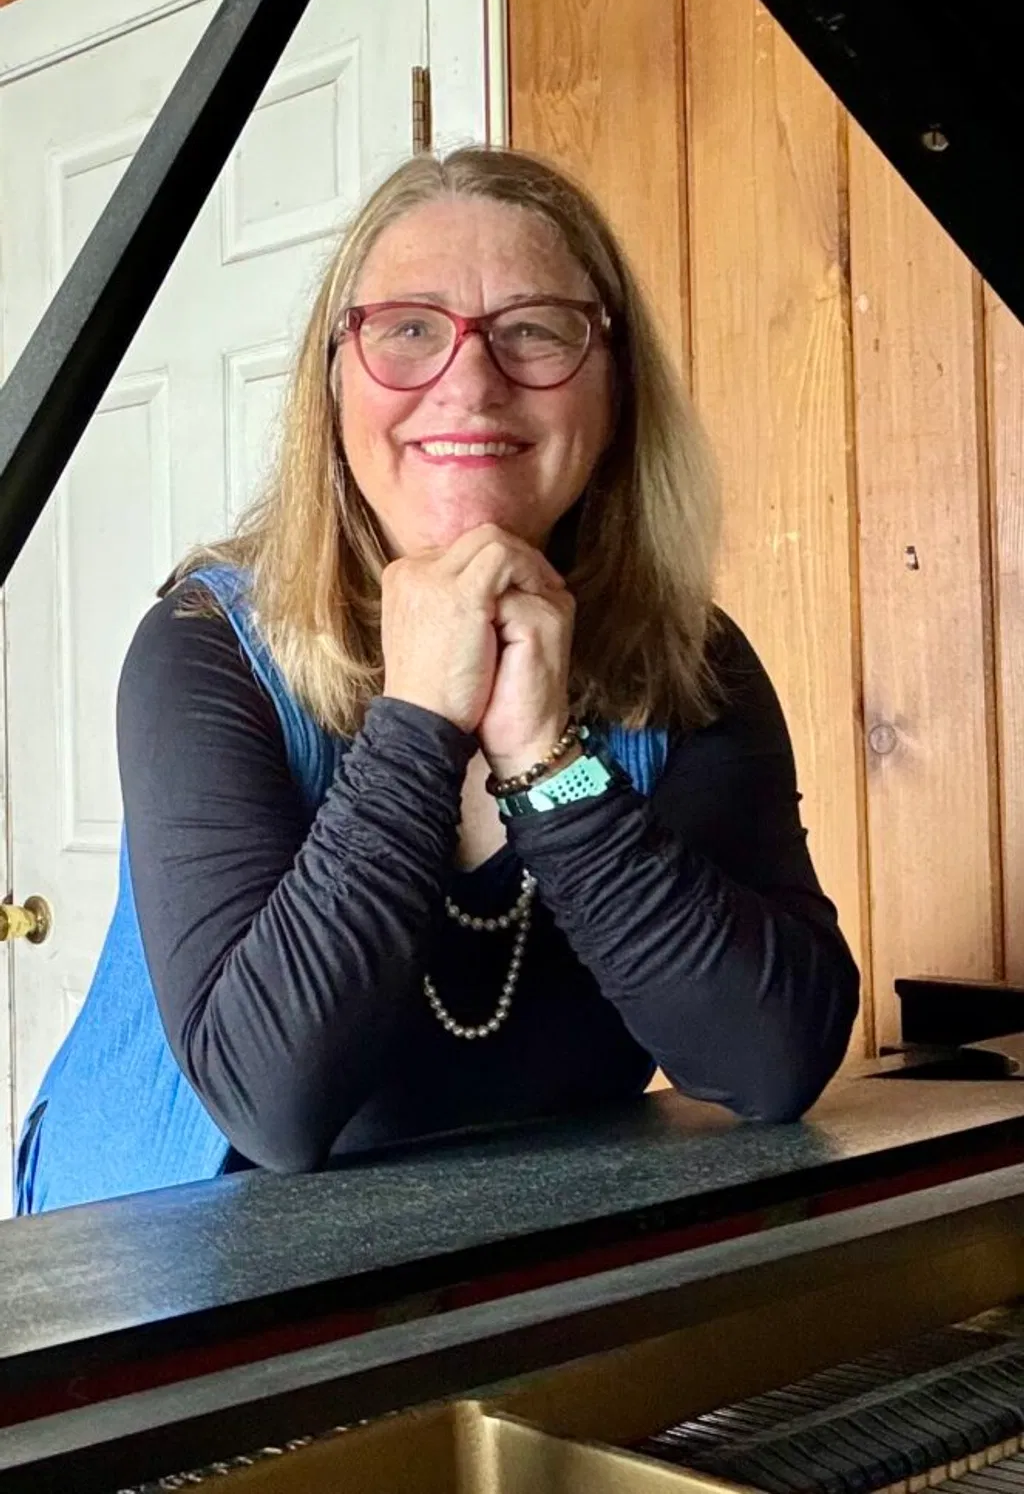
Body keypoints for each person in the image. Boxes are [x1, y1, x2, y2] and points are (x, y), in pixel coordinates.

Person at [15, 146, 859, 1215]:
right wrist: (417, 721)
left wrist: (542, 759)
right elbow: (270, 1102)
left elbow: (774, 1061)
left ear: (615, 388)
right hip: (150, 1259)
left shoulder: (689, 665)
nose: (469, 383)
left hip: (487, 1252)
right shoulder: (207, 645)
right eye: (409, 329)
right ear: (334, 386)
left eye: (533, 330)